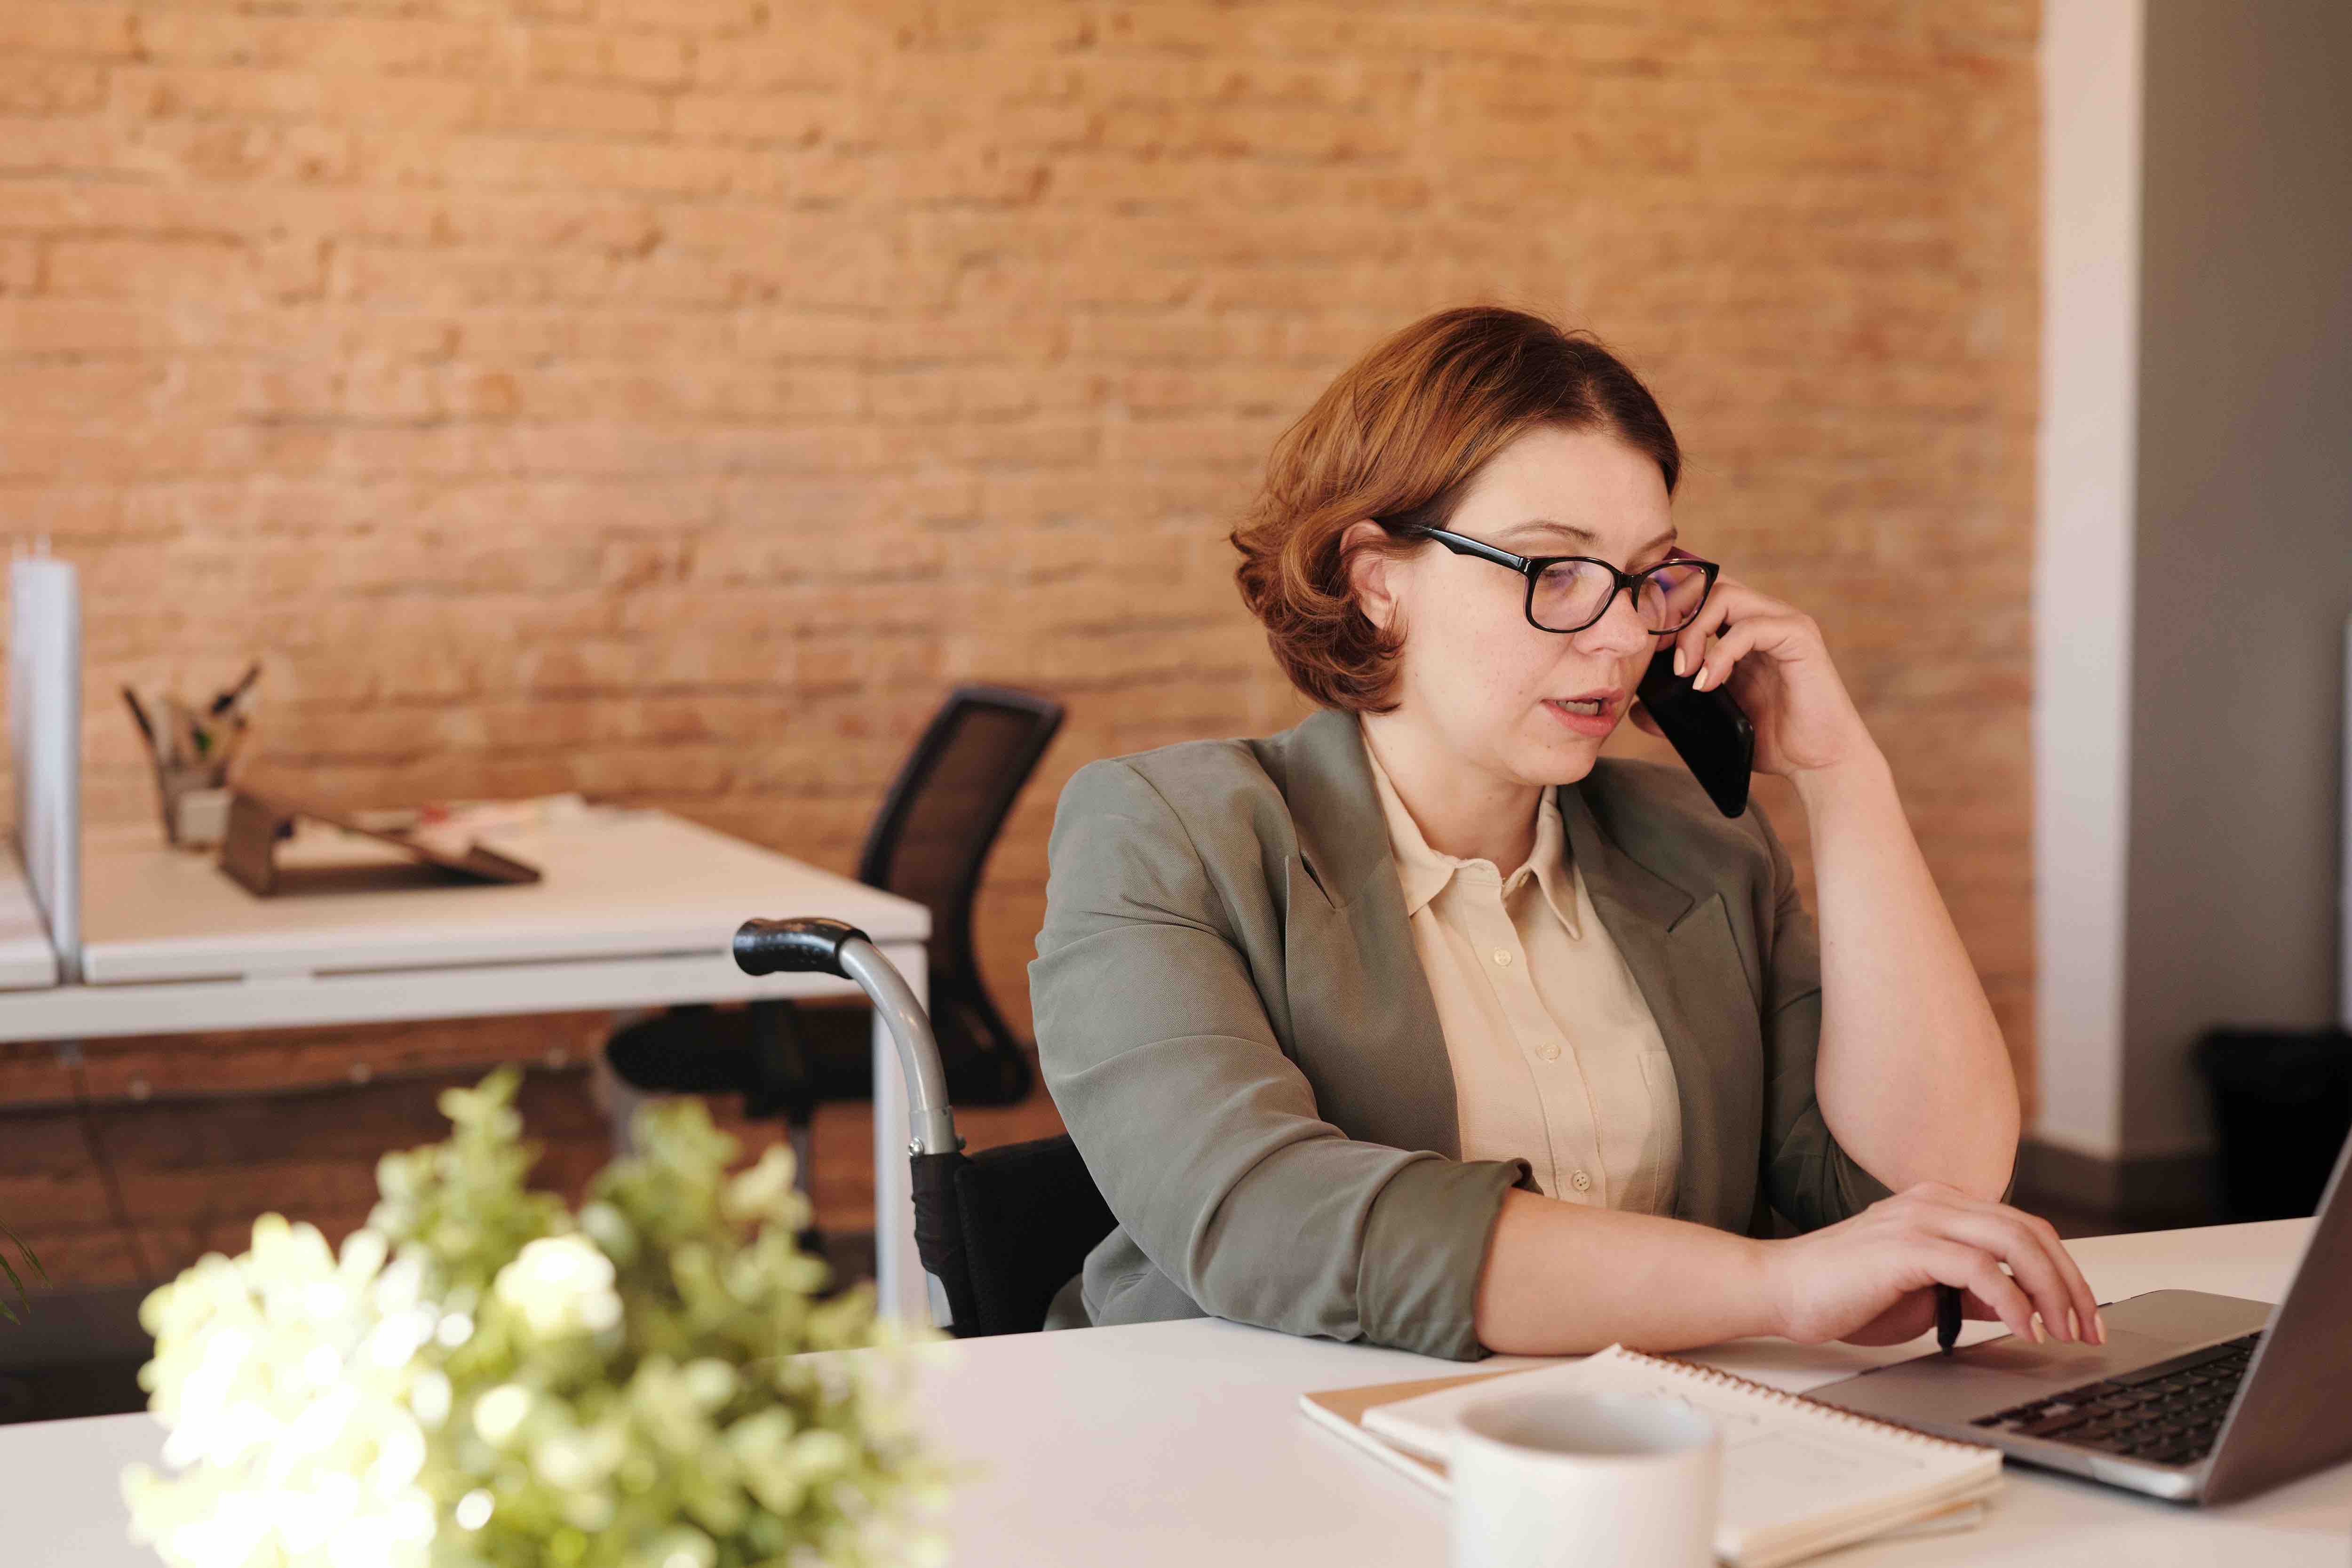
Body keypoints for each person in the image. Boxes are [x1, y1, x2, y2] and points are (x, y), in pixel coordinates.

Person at [1028, 305, 2097, 1361]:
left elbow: (1927, 1193)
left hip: (1631, 1456)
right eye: (1555, 569)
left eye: (1647, 575)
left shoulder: (1697, 844)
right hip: (1245, 1450)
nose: (1627, 630)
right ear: (1377, 579)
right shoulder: (1165, 831)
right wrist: (1771, 1284)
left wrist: (1840, 775)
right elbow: (1259, 1213)